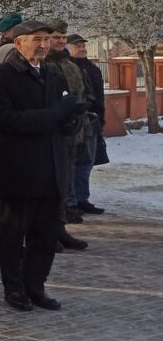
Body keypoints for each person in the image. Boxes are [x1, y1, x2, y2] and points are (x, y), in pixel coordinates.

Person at [0, 21, 85, 311]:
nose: (43, 45)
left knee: (45, 236)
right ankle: (14, 289)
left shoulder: (53, 74)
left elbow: (63, 118)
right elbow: (7, 121)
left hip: (51, 167)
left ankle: (35, 287)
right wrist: (55, 114)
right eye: (36, 39)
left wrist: (72, 119)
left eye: (46, 39)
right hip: (17, 170)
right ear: (18, 43)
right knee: (12, 237)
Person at [44, 19, 92, 244]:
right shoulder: (43, 65)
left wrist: (83, 110)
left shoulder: (70, 65)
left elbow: (83, 93)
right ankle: (47, 232)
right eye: (56, 37)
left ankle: (59, 227)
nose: (61, 41)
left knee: (65, 182)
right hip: (51, 133)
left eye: (63, 37)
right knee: (49, 184)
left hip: (73, 132)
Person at [67, 33, 106, 215]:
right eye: (77, 46)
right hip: (75, 121)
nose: (82, 49)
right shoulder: (68, 68)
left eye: (83, 46)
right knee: (73, 162)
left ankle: (82, 198)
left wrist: (100, 117)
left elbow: (99, 96)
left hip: (92, 121)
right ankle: (71, 200)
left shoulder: (92, 68)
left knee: (87, 162)